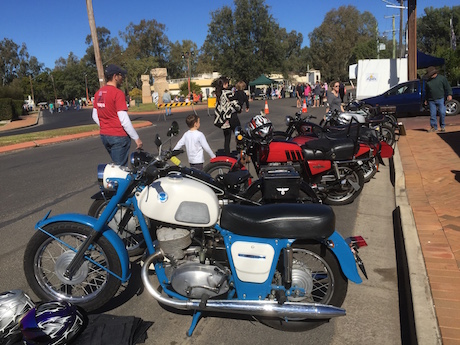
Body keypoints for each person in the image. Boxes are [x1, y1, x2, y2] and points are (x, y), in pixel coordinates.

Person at [92, 64, 143, 166]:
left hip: (105, 135)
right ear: (115, 76)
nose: (122, 78)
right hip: (118, 136)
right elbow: (124, 120)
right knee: (119, 170)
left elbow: (94, 115)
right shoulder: (117, 93)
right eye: (121, 76)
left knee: (114, 166)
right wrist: (136, 138)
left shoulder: (98, 93)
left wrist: (106, 126)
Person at [214, 77, 241, 154]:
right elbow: (234, 103)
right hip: (232, 116)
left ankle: (227, 154)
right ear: (224, 84)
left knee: (227, 138)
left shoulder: (218, 94)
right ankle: (240, 152)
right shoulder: (228, 93)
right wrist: (239, 109)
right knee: (238, 134)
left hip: (224, 119)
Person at [424, 66, 452, 132]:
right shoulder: (428, 82)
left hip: (441, 98)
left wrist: (449, 94)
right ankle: (434, 127)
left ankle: (442, 126)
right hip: (431, 100)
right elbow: (427, 91)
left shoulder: (442, 78)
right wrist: (426, 99)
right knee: (432, 114)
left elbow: (447, 87)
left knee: (442, 113)